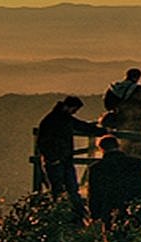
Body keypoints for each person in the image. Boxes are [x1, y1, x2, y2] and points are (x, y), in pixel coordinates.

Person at [36, 95, 104, 224]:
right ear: (69, 107)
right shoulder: (57, 120)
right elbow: (43, 142)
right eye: (74, 110)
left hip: (60, 160)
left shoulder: (55, 119)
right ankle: (75, 217)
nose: (74, 112)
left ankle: (69, 218)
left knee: (63, 189)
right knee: (64, 189)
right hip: (58, 161)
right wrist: (53, 158)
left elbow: (81, 125)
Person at [87, 135, 141, 235]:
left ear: (101, 149)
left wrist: (94, 214)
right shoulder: (136, 163)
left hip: (108, 208)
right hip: (134, 206)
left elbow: (94, 193)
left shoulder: (96, 168)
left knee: (111, 237)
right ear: (118, 145)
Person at [102, 68, 141, 156]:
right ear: (138, 77)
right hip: (138, 123)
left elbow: (108, 105)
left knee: (123, 145)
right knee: (139, 148)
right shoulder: (139, 90)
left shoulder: (113, 89)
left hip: (120, 122)